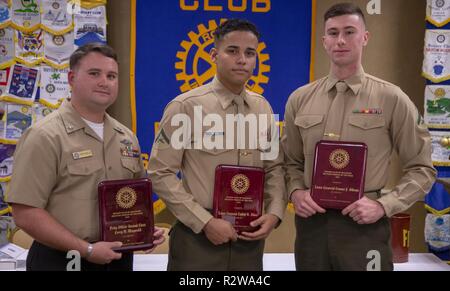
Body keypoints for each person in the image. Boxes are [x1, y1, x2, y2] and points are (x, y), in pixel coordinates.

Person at [282, 3, 436, 271]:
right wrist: (295, 191)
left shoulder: (391, 98)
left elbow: (422, 169)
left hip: (365, 226)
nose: (340, 40)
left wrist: (383, 205)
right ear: (324, 41)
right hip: (311, 228)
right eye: (333, 33)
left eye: (349, 31)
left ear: (365, 37)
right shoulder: (300, 99)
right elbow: (289, 162)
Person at [6, 43, 165, 271]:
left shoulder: (126, 137)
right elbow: (25, 213)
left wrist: (143, 230)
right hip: (64, 259)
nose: (104, 82)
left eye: (111, 76)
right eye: (94, 74)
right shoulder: (45, 136)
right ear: (71, 78)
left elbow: (134, 200)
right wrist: (86, 249)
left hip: (118, 259)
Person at [148, 19, 287, 271]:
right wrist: (204, 222)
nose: (242, 59)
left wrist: (275, 212)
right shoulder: (185, 108)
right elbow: (160, 172)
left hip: (249, 241)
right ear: (214, 54)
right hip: (198, 241)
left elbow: (274, 167)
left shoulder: (263, 108)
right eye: (232, 50)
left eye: (249, 53)